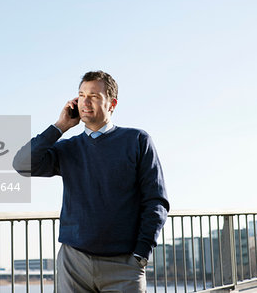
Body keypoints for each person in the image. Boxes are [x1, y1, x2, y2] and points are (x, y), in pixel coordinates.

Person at [13, 70, 169, 292]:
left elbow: (156, 201)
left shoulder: (137, 140)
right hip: (74, 263)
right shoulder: (68, 148)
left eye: (94, 96)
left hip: (124, 264)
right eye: (81, 95)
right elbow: (22, 164)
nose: (85, 101)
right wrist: (60, 126)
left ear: (111, 103)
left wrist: (142, 252)